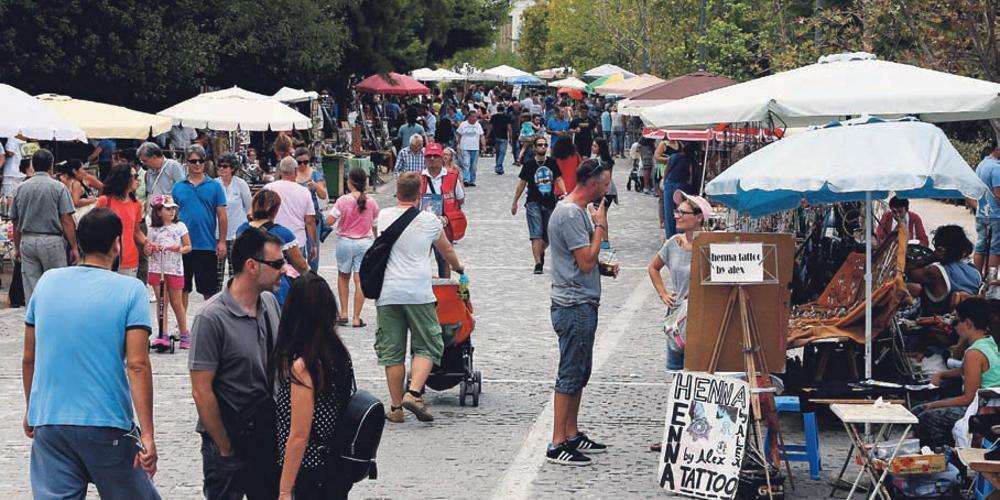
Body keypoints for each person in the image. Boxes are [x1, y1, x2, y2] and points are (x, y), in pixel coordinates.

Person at [22, 207, 158, 498]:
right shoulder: (131, 290)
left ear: (79, 244)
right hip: (105, 422)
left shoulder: (46, 283)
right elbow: (137, 365)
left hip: (50, 420)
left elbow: (29, 357)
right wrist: (147, 433)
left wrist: (31, 409)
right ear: (116, 244)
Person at [189, 227, 284, 499]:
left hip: (265, 433)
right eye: (276, 264)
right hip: (229, 436)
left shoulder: (269, 302)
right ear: (252, 266)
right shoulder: (211, 318)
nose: (283, 269)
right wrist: (223, 445)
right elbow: (201, 390)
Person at [377, 172, 466, 424]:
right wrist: (459, 268)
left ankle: (395, 408)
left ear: (397, 191)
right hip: (418, 291)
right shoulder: (429, 221)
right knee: (428, 344)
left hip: (388, 292)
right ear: (420, 194)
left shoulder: (383, 216)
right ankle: (414, 393)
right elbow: (446, 250)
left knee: (392, 351)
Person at [545, 159, 612, 466]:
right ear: (593, 184)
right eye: (606, 183)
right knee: (571, 372)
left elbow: (585, 260)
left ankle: (571, 433)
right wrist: (600, 224)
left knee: (581, 371)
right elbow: (585, 261)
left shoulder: (575, 211)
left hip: (580, 299)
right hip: (573, 303)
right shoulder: (571, 213)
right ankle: (557, 441)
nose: (608, 189)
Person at [273, 274, 356, 500]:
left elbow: (300, 433)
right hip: (333, 465)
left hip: (309, 469)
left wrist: (284, 490)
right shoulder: (337, 354)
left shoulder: (304, 366)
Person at [914, 298, 1000, 448]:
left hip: (983, 409)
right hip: (988, 404)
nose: (954, 327)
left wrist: (935, 404)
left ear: (968, 323)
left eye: (956, 321)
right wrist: (941, 375)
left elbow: (968, 398)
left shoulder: (974, 353)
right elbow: (964, 370)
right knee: (918, 410)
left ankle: (943, 457)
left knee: (927, 417)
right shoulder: (988, 342)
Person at [648, 191, 711, 371]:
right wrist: (663, 294)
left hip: (703, 318)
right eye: (677, 211)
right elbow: (653, 268)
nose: (677, 216)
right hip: (678, 318)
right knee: (676, 371)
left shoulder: (712, 244)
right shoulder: (673, 243)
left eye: (683, 213)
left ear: (699, 218)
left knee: (702, 372)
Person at [11, 148, 78, 301]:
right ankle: (54, 319)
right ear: (51, 166)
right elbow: (66, 219)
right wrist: (74, 246)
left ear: (33, 165)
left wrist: (17, 246)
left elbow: (15, 221)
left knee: (32, 288)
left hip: (27, 240)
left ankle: (34, 322)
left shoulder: (20, 188)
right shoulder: (58, 187)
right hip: (52, 240)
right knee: (56, 286)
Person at [172, 144, 227, 308]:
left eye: (201, 161)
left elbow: (222, 215)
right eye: (193, 161)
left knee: (209, 289)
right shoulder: (178, 187)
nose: (197, 164)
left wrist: (222, 241)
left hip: (206, 244)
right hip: (183, 245)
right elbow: (172, 216)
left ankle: (211, 321)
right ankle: (181, 326)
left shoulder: (215, 186)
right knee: (182, 287)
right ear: (186, 162)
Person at [236, 190, 310, 306]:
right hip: (275, 289)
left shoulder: (242, 230)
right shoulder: (283, 233)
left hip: (247, 287)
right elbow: (300, 265)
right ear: (275, 210)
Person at [327, 167, 379, 327]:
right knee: (359, 280)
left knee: (343, 277)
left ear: (350, 183)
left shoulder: (343, 200)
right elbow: (375, 225)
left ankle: (343, 313)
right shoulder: (371, 203)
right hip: (365, 243)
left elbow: (330, 221)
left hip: (345, 243)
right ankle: (356, 317)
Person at [512, 136, 567, 275]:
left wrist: (565, 193)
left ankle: (540, 251)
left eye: (545, 145)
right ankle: (537, 263)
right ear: (534, 147)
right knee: (536, 234)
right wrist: (515, 202)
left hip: (550, 202)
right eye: (540, 145)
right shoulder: (529, 164)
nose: (543, 147)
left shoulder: (552, 162)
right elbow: (522, 183)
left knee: (549, 235)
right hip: (533, 203)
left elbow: (558, 178)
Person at [145, 193, 192, 349]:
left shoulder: (180, 227)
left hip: (174, 269)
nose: (172, 212)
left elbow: (188, 247)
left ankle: (184, 333)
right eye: (167, 209)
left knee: (176, 302)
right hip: (157, 268)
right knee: (161, 303)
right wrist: (151, 248)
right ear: (159, 212)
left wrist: (178, 249)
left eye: (173, 209)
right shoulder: (152, 229)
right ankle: (162, 334)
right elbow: (147, 249)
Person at [907, 225, 981, 315]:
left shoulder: (936, 272)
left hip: (935, 325)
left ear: (940, 249)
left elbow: (908, 269)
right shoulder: (975, 272)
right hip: (965, 320)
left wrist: (932, 258)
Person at [420, 143, 465, 278]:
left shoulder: (452, 177)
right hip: (422, 227)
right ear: (425, 158)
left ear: (442, 159)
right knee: (420, 261)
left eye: (435, 156)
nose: (432, 159)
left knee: (444, 261)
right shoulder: (418, 177)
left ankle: (445, 290)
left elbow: (460, 199)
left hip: (444, 227)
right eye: (429, 156)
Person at [264, 157, 318, 265]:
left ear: (280, 170)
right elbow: (310, 221)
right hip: (297, 241)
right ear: (295, 170)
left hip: (273, 240)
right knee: (297, 277)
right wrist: (314, 244)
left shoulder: (269, 188)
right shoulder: (304, 192)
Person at [97, 163, 147, 277]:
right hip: (107, 258)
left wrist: (148, 242)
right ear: (124, 178)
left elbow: (136, 231)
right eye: (134, 176)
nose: (137, 179)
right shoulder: (104, 201)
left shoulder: (136, 204)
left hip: (130, 259)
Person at [217, 152, 253, 279]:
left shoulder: (241, 184)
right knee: (217, 273)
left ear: (232, 168)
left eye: (225, 166)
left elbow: (249, 208)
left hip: (237, 233)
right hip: (218, 233)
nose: (221, 168)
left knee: (236, 271)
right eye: (219, 166)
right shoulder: (215, 184)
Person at [294, 147, 327, 272]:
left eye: (305, 162)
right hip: (297, 216)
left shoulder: (315, 174)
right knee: (297, 249)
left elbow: (323, 195)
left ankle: (312, 276)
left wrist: (316, 186)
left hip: (312, 216)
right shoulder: (293, 174)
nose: (303, 165)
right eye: (299, 162)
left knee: (313, 249)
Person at [975, 146, 1000, 272]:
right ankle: (991, 283)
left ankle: (976, 279)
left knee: (980, 247)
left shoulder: (980, 165)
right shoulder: (996, 168)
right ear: (997, 149)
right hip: (996, 215)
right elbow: (998, 195)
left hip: (981, 213)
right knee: (995, 249)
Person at [663, 142, 696, 238]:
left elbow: (666, 171)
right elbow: (690, 177)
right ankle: (680, 237)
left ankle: (670, 238)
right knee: (681, 213)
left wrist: (665, 182)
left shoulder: (673, 157)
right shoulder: (690, 160)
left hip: (669, 185)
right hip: (682, 186)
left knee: (669, 213)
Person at [455, 109, 486, 187]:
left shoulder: (478, 125)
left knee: (473, 166)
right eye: (473, 117)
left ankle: (472, 180)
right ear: (469, 117)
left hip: (475, 148)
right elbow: (458, 134)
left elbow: (482, 135)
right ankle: (466, 179)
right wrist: (458, 144)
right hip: (465, 147)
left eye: (476, 117)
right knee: (466, 164)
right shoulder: (463, 125)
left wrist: (484, 145)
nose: (475, 119)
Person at [593, 137, 618, 210]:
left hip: (603, 190)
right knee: (602, 215)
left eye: (595, 146)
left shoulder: (599, 161)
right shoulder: (607, 159)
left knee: (599, 216)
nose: (592, 148)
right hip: (610, 189)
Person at [488, 104, 512, 175]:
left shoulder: (493, 117)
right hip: (504, 137)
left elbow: (490, 127)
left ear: (497, 109)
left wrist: (487, 136)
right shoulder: (506, 117)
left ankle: (500, 168)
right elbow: (509, 128)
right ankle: (498, 167)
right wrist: (510, 138)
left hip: (495, 137)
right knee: (502, 153)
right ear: (503, 109)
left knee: (498, 153)